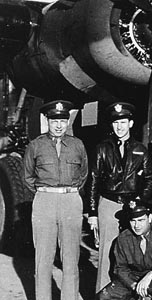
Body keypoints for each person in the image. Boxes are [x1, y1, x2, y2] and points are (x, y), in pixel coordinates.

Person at [88, 102, 152, 294]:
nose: (120, 127)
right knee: (106, 254)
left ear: (131, 123)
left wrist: (141, 201)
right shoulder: (102, 149)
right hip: (109, 204)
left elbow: (150, 179)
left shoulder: (141, 150)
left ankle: (130, 294)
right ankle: (103, 294)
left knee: (132, 254)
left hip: (132, 207)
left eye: (123, 122)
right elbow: (93, 180)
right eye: (116, 122)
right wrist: (93, 212)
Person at [23, 100, 88, 300]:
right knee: (43, 259)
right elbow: (27, 177)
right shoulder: (36, 145)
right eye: (54, 121)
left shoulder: (77, 145)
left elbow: (83, 174)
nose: (59, 125)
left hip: (71, 200)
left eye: (62, 120)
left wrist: (70, 192)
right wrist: (44, 193)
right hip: (45, 201)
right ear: (47, 121)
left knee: (70, 259)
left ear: (67, 121)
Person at [99, 202, 152, 300]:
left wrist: (151, 275)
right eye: (133, 221)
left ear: (149, 218)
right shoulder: (123, 238)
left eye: (141, 220)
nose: (137, 225)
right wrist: (134, 286)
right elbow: (120, 268)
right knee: (104, 296)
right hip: (134, 278)